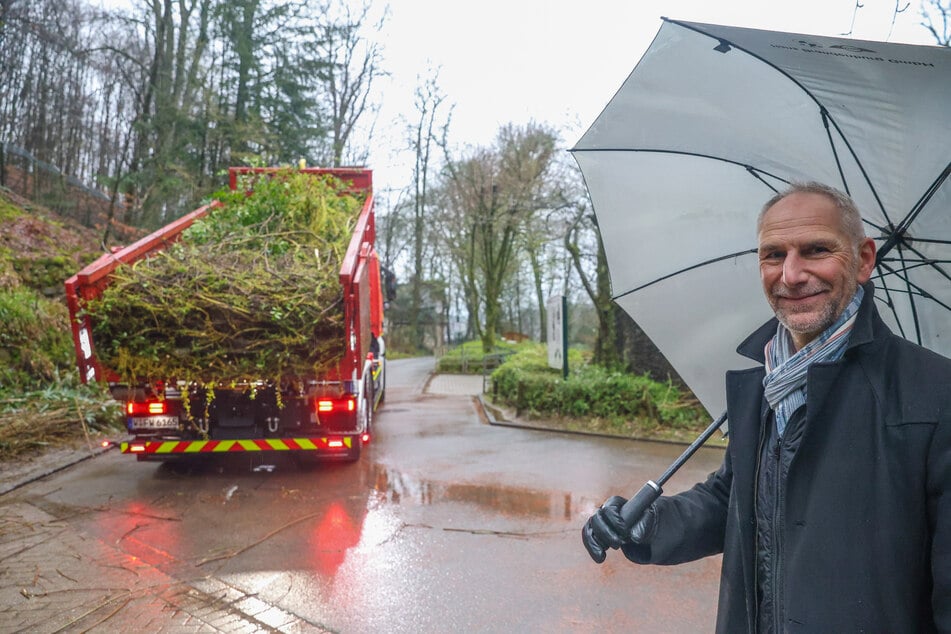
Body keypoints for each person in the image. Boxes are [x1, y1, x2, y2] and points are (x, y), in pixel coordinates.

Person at [582, 182, 951, 633]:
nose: (791, 275)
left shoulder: (935, 395)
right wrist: (653, 524)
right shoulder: (765, 381)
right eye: (773, 255)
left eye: (816, 250)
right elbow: (732, 497)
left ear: (865, 259)